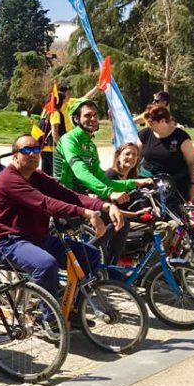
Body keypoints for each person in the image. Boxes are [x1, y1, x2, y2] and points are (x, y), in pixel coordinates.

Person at [0, 134, 124, 301]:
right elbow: (45, 203)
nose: (33, 154)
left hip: (39, 239)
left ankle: (75, 307)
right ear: (15, 155)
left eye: (36, 149)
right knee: (46, 264)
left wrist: (105, 206)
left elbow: (69, 195)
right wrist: (85, 213)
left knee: (91, 255)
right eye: (26, 150)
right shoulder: (8, 179)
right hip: (8, 242)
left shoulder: (37, 177)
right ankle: (50, 320)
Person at [55, 99, 151, 265]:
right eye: (87, 115)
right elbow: (81, 172)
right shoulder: (69, 139)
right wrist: (109, 193)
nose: (93, 119)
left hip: (80, 195)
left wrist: (133, 183)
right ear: (76, 119)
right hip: (63, 195)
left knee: (121, 222)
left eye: (95, 115)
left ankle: (110, 269)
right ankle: (80, 259)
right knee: (114, 219)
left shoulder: (90, 145)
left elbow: (101, 178)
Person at [138, 103, 194, 204]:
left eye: (152, 123)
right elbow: (136, 157)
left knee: (173, 216)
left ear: (162, 121)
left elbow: (192, 162)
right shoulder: (144, 134)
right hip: (149, 183)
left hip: (175, 185)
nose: (149, 125)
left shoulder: (181, 137)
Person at [47, 82, 98, 175]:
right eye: (68, 94)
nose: (70, 96)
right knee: (55, 173)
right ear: (61, 95)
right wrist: (63, 148)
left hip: (64, 142)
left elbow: (85, 98)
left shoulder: (69, 103)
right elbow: (55, 132)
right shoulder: (55, 110)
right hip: (56, 145)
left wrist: (97, 87)